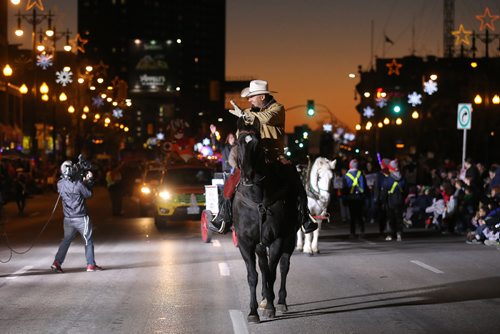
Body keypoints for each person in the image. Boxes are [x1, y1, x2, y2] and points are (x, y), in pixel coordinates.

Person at [210, 79, 318, 234]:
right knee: (231, 182)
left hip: (276, 158)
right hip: (254, 159)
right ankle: (223, 217)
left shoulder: (277, 109)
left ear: (262, 96)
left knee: (295, 182)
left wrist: (244, 115)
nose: (249, 100)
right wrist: (242, 123)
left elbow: (266, 119)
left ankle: (304, 216)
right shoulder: (249, 112)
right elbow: (240, 134)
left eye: (252, 96)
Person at [51, 160, 103, 273]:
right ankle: (90, 265)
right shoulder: (79, 184)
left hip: (68, 219)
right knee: (88, 241)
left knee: (66, 240)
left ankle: (57, 263)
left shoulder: (60, 184)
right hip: (81, 218)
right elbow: (89, 194)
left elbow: (69, 183)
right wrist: (89, 180)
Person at [380, 160, 406, 241]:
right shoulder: (402, 178)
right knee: (399, 218)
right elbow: (406, 190)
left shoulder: (388, 179)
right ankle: (399, 234)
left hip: (390, 201)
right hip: (400, 201)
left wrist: (383, 201)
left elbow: (384, 192)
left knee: (391, 218)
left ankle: (392, 234)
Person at [342, 159, 367, 238]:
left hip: (351, 198)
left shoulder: (346, 175)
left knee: (352, 216)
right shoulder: (361, 174)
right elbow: (363, 188)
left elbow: (344, 189)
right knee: (360, 215)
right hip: (359, 197)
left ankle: (352, 233)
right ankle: (362, 232)